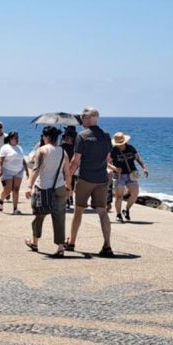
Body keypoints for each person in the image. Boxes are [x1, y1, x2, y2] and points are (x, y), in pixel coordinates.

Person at [66, 107, 114, 257]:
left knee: (78, 210)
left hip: (86, 178)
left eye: (82, 118)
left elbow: (75, 161)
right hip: (102, 179)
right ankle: (107, 245)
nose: (81, 121)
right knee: (102, 211)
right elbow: (108, 158)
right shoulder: (106, 136)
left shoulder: (82, 136)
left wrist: (67, 178)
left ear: (88, 118)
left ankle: (72, 242)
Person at [24, 126, 72, 256]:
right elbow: (67, 173)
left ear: (47, 137)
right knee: (59, 218)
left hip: (43, 188)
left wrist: (29, 186)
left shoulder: (42, 151)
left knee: (39, 216)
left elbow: (36, 170)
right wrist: (69, 188)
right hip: (60, 187)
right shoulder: (63, 152)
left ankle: (35, 242)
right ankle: (60, 248)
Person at [110, 132, 149, 222]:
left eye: (121, 143)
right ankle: (118, 215)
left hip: (132, 174)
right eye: (118, 144)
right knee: (119, 196)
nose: (120, 145)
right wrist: (115, 168)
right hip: (119, 175)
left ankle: (126, 210)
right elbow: (106, 162)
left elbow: (138, 158)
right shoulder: (113, 151)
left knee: (135, 194)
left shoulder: (130, 148)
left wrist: (144, 168)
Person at [0, 131, 28, 214]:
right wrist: (0, 169)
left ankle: (15, 209)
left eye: (17, 138)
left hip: (19, 170)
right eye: (15, 138)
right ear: (10, 139)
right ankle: (1, 200)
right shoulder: (5, 147)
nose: (17, 139)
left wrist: (27, 170)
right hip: (7, 170)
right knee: (8, 190)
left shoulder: (19, 148)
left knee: (16, 189)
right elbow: (1, 160)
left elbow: (22, 159)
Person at [61, 128, 77, 209]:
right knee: (66, 184)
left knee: (71, 184)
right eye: (66, 136)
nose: (66, 137)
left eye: (68, 136)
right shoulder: (62, 146)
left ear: (72, 138)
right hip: (64, 167)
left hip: (73, 168)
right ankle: (67, 200)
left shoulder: (75, 147)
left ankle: (70, 198)